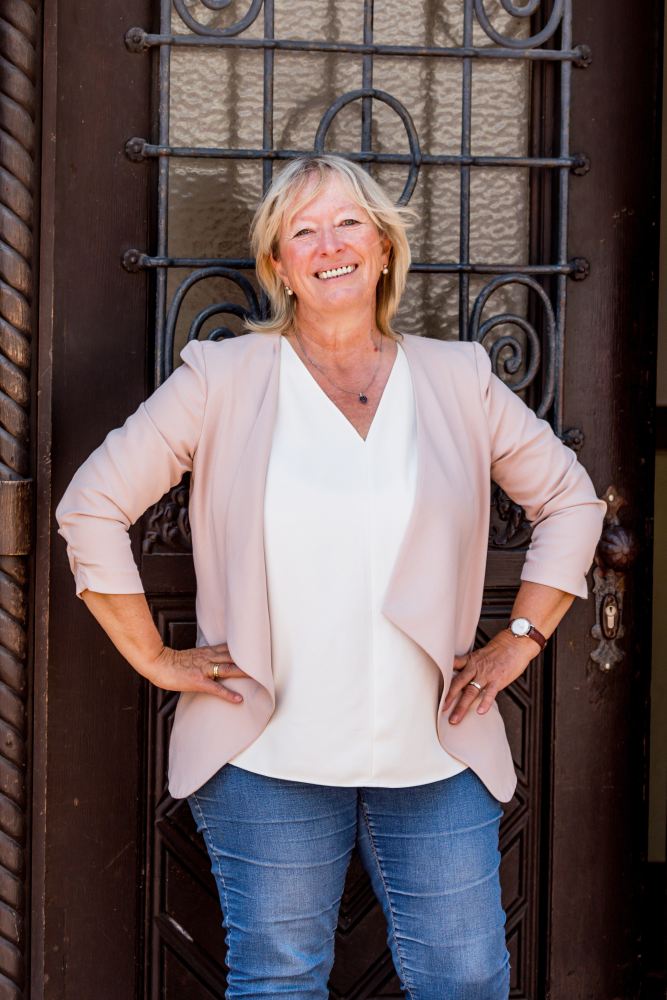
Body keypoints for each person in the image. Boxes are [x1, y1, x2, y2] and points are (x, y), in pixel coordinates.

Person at [56, 154, 606, 999]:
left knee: (465, 979)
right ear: (278, 265)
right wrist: (154, 659)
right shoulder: (222, 378)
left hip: (433, 749)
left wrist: (520, 639)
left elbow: (569, 499)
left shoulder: (456, 378)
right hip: (265, 753)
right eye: (302, 231)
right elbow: (91, 506)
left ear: (383, 248)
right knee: (279, 982)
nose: (329, 245)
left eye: (349, 223)